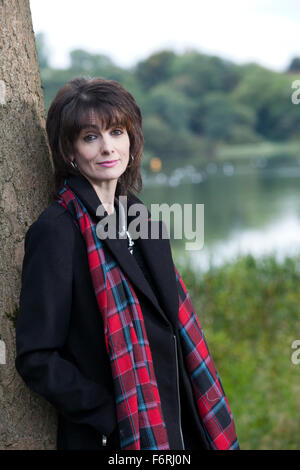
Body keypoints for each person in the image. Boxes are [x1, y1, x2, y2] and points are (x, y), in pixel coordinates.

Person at [15, 77, 239, 451]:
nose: (107, 147)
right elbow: (37, 357)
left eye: (116, 131)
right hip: (120, 434)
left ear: (131, 138)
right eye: (90, 137)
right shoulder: (57, 231)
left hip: (179, 415)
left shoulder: (139, 214)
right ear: (69, 149)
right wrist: (109, 414)